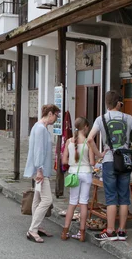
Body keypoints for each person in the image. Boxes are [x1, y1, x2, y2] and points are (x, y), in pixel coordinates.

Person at [87, 90, 132, 242]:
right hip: (125, 160)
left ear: (106, 103)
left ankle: (110, 230)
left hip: (109, 160)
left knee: (111, 197)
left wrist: (99, 154)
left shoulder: (101, 119)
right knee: (124, 196)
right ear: (119, 103)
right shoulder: (128, 118)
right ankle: (122, 230)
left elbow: (89, 139)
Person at [24, 104, 61, 243]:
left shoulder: (40, 127)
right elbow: (38, 150)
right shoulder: (40, 129)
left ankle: (36, 227)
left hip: (40, 169)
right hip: (41, 170)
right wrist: (39, 169)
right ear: (50, 114)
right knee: (47, 200)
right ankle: (33, 230)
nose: (56, 119)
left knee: (38, 199)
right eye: (56, 116)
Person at [61, 117, 95, 242]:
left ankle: (65, 231)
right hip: (86, 173)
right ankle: (82, 233)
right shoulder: (88, 142)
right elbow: (92, 162)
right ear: (85, 127)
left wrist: (72, 162)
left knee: (72, 202)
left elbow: (64, 161)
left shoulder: (69, 142)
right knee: (84, 203)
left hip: (73, 174)